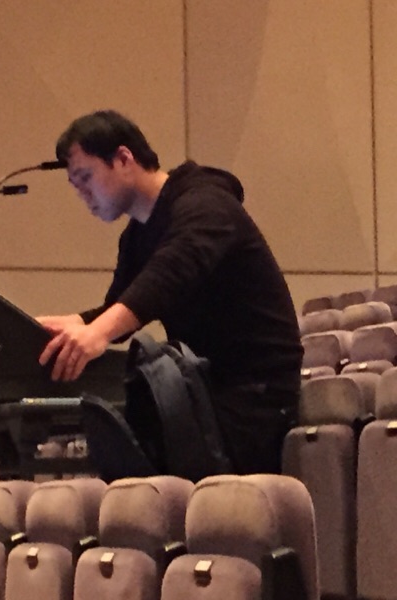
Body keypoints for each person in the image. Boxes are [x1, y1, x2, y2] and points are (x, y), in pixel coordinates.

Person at [38, 110, 303, 475]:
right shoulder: (136, 236)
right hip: (206, 389)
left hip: (257, 396)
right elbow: (120, 308)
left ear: (123, 159)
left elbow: (170, 274)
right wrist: (64, 325)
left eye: (86, 177)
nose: (83, 194)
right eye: (75, 185)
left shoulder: (206, 203)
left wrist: (97, 332)